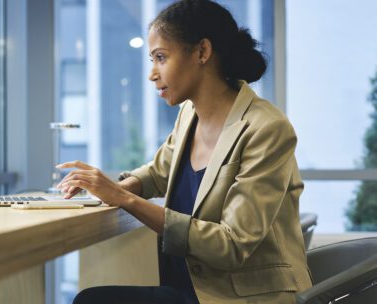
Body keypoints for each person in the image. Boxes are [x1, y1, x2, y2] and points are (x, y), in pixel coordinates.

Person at [57, 0, 313, 303]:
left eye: (161, 58)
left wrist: (124, 199)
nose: (152, 74)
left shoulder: (266, 128)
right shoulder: (190, 114)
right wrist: (118, 188)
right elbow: (158, 171)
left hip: (238, 297)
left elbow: (232, 245)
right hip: (189, 289)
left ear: (202, 52)